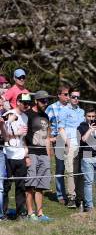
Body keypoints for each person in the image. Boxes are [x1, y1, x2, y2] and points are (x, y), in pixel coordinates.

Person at [24, 91, 53, 221]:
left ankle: (40, 213)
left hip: (43, 154)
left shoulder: (46, 116)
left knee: (42, 185)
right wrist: (26, 155)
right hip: (31, 152)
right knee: (30, 184)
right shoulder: (27, 114)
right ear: (36, 100)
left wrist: (48, 155)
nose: (45, 103)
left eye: (46, 101)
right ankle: (30, 213)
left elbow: (47, 136)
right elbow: (23, 136)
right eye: (42, 101)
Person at [3, 93, 31, 218]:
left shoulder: (25, 117)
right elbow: (3, 134)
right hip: (7, 155)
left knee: (21, 185)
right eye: (25, 103)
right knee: (6, 186)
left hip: (20, 156)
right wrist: (16, 133)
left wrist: (26, 153)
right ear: (18, 101)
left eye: (28, 103)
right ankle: (2, 212)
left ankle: (21, 212)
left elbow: (23, 138)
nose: (27, 105)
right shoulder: (8, 114)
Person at [58, 87, 85, 208]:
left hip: (81, 143)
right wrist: (67, 142)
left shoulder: (81, 112)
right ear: (69, 97)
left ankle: (80, 196)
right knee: (70, 170)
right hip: (70, 143)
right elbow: (61, 128)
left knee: (80, 170)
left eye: (77, 97)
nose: (75, 99)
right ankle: (71, 197)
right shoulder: (63, 110)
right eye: (73, 96)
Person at [78, 108, 96, 212]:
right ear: (85, 117)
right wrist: (90, 129)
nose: (91, 118)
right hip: (87, 157)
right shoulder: (81, 127)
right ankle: (89, 206)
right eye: (89, 116)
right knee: (88, 182)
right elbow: (83, 140)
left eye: (93, 116)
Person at [46, 85, 70, 204]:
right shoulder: (52, 108)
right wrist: (50, 138)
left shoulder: (72, 107)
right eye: (65, 94)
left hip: (72, 140)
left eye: (68, 94)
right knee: (60, 167)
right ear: (59, 95)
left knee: (72, 167)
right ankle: (61, 195)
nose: (68, 97)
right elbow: (43, 123)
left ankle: (72, 194)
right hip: (59, 140)